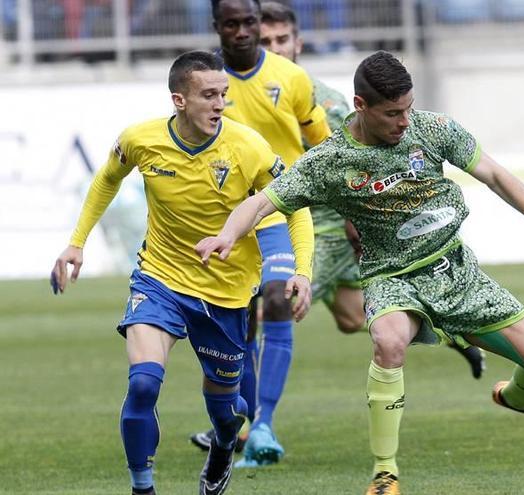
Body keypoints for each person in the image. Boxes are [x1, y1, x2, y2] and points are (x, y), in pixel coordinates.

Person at [196, 50, 524, 495]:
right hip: (392, 278)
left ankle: (515, 397)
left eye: (407, 108)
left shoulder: (433, 128)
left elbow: (497, 177)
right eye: (392, 113)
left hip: (456, 271)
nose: (404, 121)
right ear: (361, 106)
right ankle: (385, 471)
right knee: (387, 342)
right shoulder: (330, 161)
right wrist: (228, 235)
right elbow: (263, 200)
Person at [50, 50, 311, 495]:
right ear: (179, 100)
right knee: (145, 383)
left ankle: (225, 447)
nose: (220, 104)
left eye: (223, 94)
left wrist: (301, 270)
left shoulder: (247, 147)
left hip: (226, 295)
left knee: (227, 413)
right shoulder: (141, 139)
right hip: (160, 280)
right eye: (209, 95)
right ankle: (142, 487)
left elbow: (294, 204)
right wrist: (77, 241)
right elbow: (107, 178)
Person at [260, 0, 487, 376]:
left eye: (282, 39)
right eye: (265, 41)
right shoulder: (245, 94)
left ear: (298, 44)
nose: (275, 49)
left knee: (266, 310)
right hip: (282, 219)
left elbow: (355, 161)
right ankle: (451, 334)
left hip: (325, 227)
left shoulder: (325, 101)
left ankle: (241, 423)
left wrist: (355, 218)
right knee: (352, 316)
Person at [188, 0, 332, 468]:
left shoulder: (291, 79)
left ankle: (264, 422)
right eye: (233, 24)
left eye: (250, 22)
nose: (244, 31)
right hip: (227, 217)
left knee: (276, 299)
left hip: (281, 209)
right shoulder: (205, 83)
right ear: (218, 29)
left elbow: (324, 147)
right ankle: (241, 421)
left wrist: (351, 211)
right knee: (239, 320)